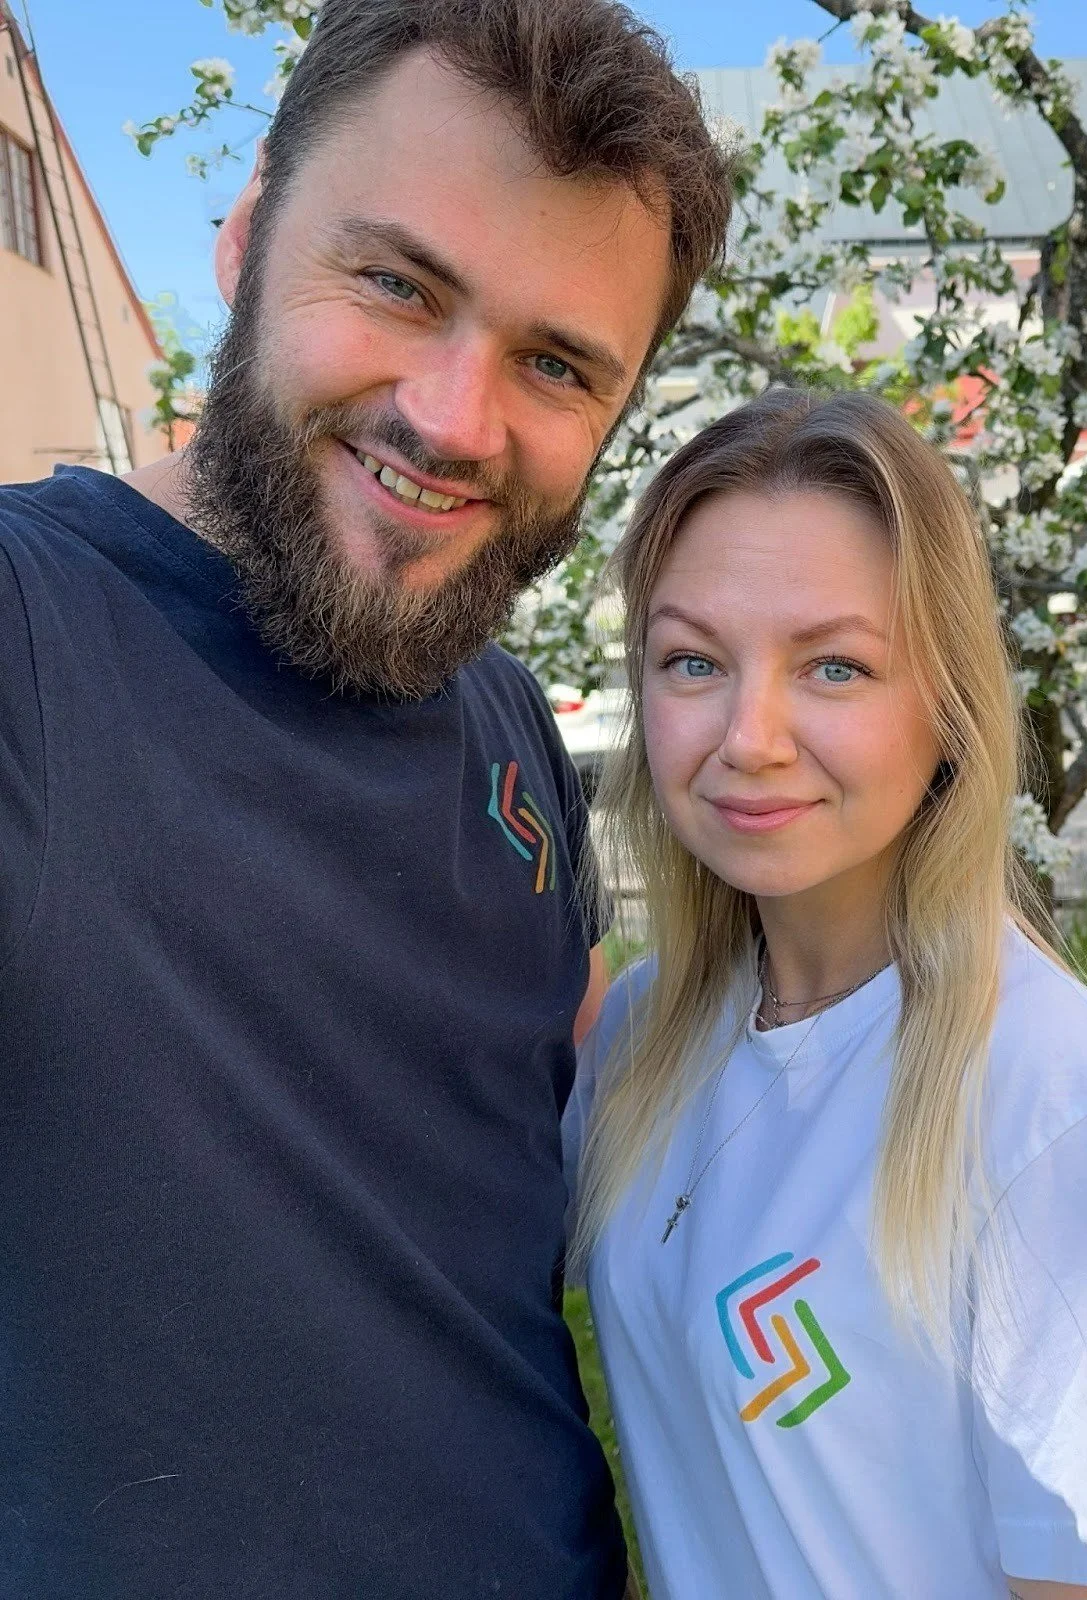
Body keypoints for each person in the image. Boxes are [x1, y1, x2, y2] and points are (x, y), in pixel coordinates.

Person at [0, 1, 731, 1593]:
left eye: (555, 364)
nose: (454, 422)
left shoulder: (507, 721)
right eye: (399, 285)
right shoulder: (27, 635)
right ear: (249, 234)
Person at [565, 386, 1087, 1600]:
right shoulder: (646, 1036)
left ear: (948, 708)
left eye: (835, 666)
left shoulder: (1041, 1088)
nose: (749, 735)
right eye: (693, 660)